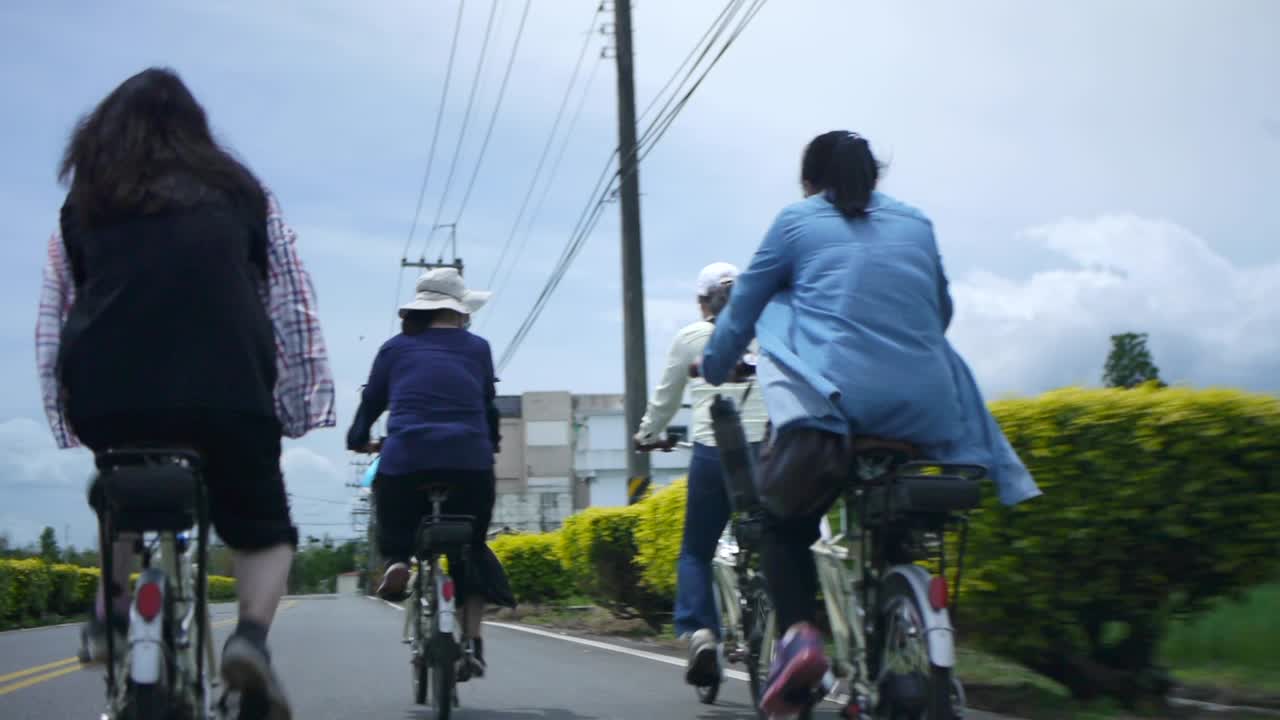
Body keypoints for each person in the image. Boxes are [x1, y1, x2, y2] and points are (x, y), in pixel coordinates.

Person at [700, 131, 1042, 716]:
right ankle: (896, 614)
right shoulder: (917, 223)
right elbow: (943, 311)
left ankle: (802, 639)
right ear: (873, 177)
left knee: (782, 525)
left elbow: (744, 306)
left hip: (832, 411)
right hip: (924, 410)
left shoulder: (796, 222)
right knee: (892, 524)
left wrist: (713, 365)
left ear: (810, 183)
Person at [36, 67, 336, 719]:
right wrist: (295, 407)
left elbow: (57, 311)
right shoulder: (240, 193)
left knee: (119, 487)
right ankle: (251, 639)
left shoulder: (85, 200)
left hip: (110, 393)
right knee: (263, 527)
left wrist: (69, 413)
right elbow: (289, 303)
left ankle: (113, 614)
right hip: (225, 388)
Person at [346, 267, 501, 678]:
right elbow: (488, 406)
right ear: (459, 311)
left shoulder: (394, 349)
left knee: (393, 510)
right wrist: (493, 443)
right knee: (470, 549)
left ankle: (398, 560)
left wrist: (358, 436)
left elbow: (372, 402)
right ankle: (473, 643)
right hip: (470, 464)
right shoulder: (478, 349)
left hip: (406, 463)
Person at [633, 262, 768, 687]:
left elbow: (665, 401)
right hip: (770, 452)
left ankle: (704, 634)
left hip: (715, 453)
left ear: (701, 302)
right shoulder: (766, 336)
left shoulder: (690, 338)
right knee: (782, 542)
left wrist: (647, 435)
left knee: (696, 550)